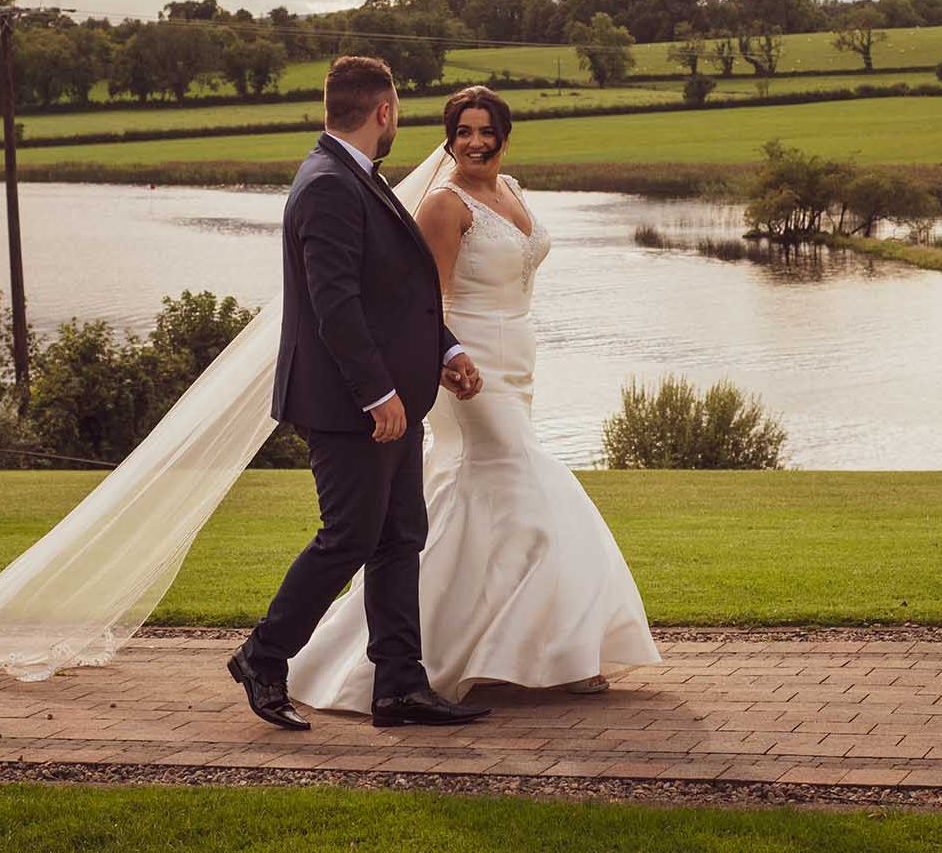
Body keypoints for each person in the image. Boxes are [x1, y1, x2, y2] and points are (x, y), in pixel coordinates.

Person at [286, 85, 659, 712]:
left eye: (487, 131)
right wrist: (448, 356)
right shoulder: (442, 205)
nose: (476, 143)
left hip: (520, 358)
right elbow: (426, 303)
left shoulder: (511, 190)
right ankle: (562, 652)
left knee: (469, 500)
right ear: (449, 138)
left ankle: (437, 652)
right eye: (463, 132)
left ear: (505, 136)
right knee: (526, 479)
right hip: (470, 366)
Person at [226, 57, 492, 731]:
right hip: (349, 409)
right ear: (384, 111)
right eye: (397, 109)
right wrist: (377, 394)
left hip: (392, 402)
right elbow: (334, 304)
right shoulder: (327, 186)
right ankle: (264, 653)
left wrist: (445, 349)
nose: (397, 118)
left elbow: (397, 295)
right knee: (348, 536)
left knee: (400, 534)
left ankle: (400, 686)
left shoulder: (354, 177)